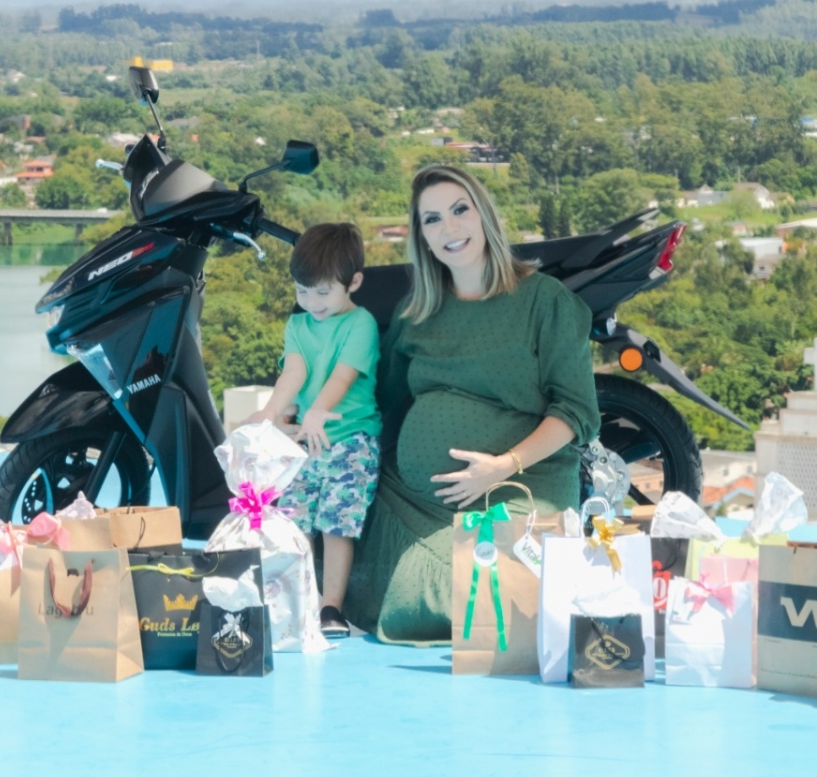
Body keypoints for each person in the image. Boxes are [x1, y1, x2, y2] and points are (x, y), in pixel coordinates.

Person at [342, 164, 601, 645]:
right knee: (328, 541)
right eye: (433, 219)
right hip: (414, 500)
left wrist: (502, 466)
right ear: (422, 237)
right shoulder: (418, 313)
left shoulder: (543, 300)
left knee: (485, 597)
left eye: (460, 210)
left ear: (484, 215)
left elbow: (576, 412)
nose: (450, 228)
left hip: (521, 486)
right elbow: (378, 400)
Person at [246, 223, 382, 639]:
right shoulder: (298, 326)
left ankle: (330, 607)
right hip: (307, 439)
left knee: (336, 524)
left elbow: (342, 376)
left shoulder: (361, 323)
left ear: (353, 282)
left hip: (351, 438)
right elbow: (294, 371)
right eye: (303, 291)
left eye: (323, 292)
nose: (312, 302)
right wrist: (269, 411)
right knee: (296, 519)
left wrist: (319, 410)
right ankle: (300, 600)